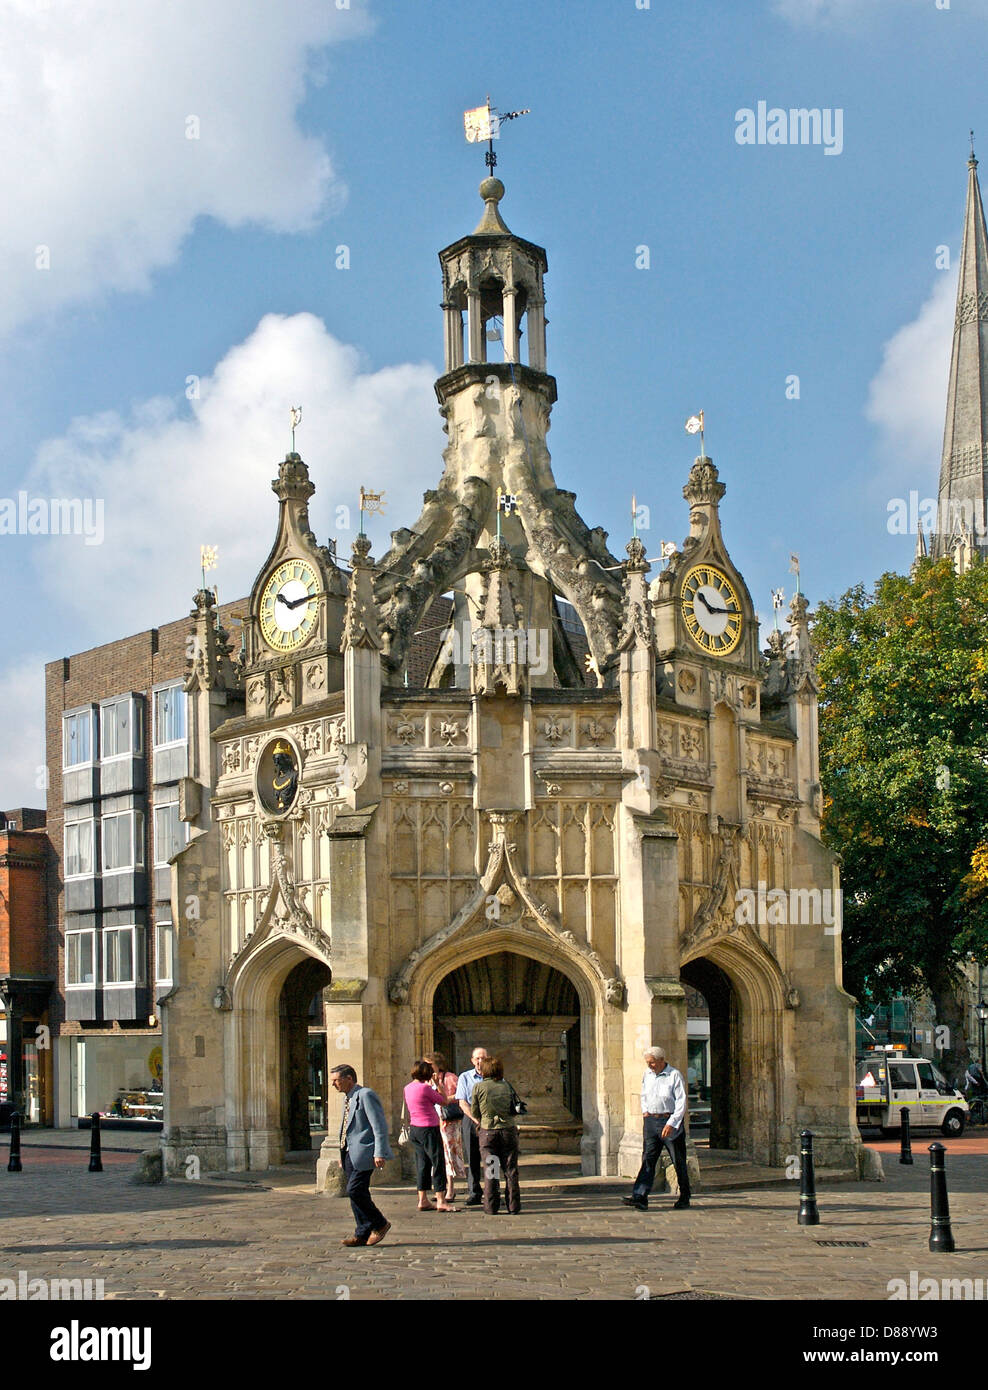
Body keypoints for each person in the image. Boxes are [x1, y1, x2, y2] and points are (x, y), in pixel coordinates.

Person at [332, 1064, 394, 1247]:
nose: (333, 1084)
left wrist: (379, 1152)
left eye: (336, 1080)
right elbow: (346, 1128)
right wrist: (340, 1152)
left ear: (349, 1078)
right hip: (349, 1153)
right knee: (356, 1193)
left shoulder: (365, 1095)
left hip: (365, 1152)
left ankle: (380, 1223)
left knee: (354, 1190)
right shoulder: (348, 1098)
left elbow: (379, 1125)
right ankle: (362, 1232)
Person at [622, 1046, 691, 1211]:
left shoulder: (674, 1075)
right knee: (648, 1159)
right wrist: (645, 1111)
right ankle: (640, 1196)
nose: (650, 1065)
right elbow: (644, 1093)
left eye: (652, 1062)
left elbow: (681, 1102)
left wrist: (672, 1123)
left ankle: (684, 1196)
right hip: (652, 1121)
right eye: (648, 1062)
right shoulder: (647, 1074)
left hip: (669, 1121)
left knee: (678, 1160)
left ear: (661, 1060)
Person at [470, 1056, 521, 1215]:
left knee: (491, 1169)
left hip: (488, 1131)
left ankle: (491, 1206)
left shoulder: (479, 1087)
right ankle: (513, 1206)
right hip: (508, 1130)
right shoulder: (507, 1086)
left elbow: (474, 1112)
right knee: (510, 1169)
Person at [403, 1060, 456, 1212]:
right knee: (437, 1163)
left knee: (422, 1164)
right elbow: (444, 1101)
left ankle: (422, 1199)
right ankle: (441, 1199)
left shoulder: (407, 1088)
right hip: (429, 1128)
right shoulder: (425, 1089)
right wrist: (438, 1084)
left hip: (415, 1128)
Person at [425, 1050, 466, 1204]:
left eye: (430, 1064)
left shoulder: (450, 1078)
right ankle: (440, 1188)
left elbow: (459, 1094)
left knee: (448, 1154)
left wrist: (443, 1099)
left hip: (448, 1121)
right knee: (436, 1155)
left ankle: (450, 1189)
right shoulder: (425, 1080)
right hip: (432, 1120)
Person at [454, 1045, 488, 1207]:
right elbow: (462, 1101)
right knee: (472, 1157)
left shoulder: (494, 1076)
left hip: (489, 1119)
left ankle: (491, 1190)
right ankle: (474, 1191)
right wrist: (476, 1119)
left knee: (491, 1157)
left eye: (483, 1058)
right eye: (477, 1058)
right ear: (472, 1060)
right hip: (470, 1118)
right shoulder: (465, 1077)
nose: (480, 1061)